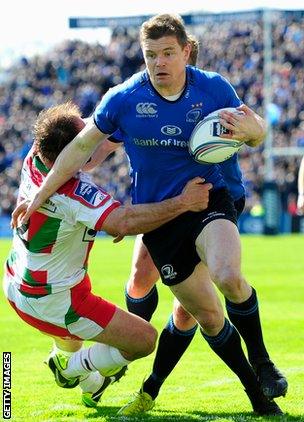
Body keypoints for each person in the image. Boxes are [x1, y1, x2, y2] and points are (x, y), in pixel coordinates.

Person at [12, 14, 285, 416]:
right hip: (160, 218)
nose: (159, 63)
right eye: (151, 55)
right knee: (175, 299)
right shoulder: (126, 99)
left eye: (168, 54)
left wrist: (253, 133)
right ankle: (124, 370)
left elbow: (256, 130)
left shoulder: (211, 89)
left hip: (210, 199)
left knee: (217, 284)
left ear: (186, 52)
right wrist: (43, 192)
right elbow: (88, 149)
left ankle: (254, 369)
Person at [4, 102, 212, 408]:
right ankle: (69, 370)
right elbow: (124, 222)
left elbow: (83, 131)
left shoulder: (36, 155)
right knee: (144, 340)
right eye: (85, 138)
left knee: (72, 341)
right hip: (56, 300)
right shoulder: (73, 194)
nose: (92, 135)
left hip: (17, 281)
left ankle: (89, 382)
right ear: (71, 153)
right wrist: (184, 203)